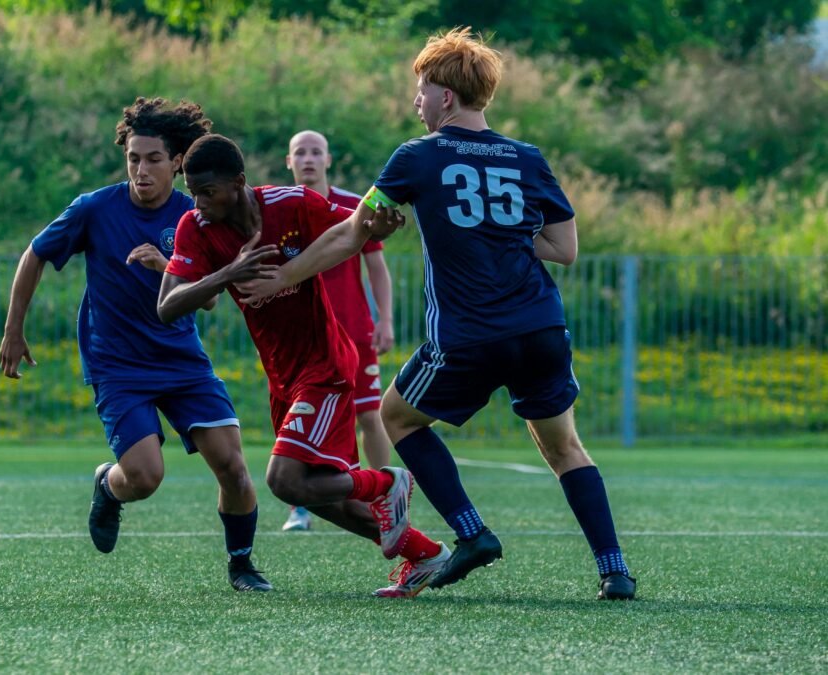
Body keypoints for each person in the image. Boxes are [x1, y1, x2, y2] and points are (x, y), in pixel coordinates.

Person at [236, 28, 637, 600]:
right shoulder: (527, 157)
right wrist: (499, 236)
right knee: (565, 448)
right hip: (541, 327)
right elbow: (564, 248)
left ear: (445, 96)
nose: (416, 101)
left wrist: (283, 277)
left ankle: (472, 533)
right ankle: (614, 570)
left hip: (470, 335)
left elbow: (350, 233)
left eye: (421, 90)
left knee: (397, 419)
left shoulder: (418, 155)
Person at [157, 133, 450, 598]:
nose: (199, 203)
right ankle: (426, 554)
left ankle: (385, 482)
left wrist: (378, 226)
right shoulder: (196, 226)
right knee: (321, 494)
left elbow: (355, 228)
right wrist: (227, 273)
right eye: (192, 192)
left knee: (284, 479)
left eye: (207, 191)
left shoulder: (291, 204)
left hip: (325, 365)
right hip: (283, 378)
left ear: (239, 182)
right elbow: (167, 306)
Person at [0, 97, 272, 592]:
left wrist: (166, 266)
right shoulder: (95, 209)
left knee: (233, 466)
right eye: (133, 159)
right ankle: (109, 485)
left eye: (153, 159)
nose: (141, 170)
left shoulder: (195, 214)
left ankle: (242, 565)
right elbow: (34, 254)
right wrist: (14, 329)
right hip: (118, 365)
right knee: (144, 478)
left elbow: (209, 300)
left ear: (177, 162)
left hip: (182, 361)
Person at [280, 130, 395, 533]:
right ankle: (300, 507)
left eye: (316, 152)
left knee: (369, 414)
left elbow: (377, 269)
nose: (308, 159)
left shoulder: (355, 206)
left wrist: (385, 320)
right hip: (302, 340)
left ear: (328, 160)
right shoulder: (280, 209)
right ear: (289, 162)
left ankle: (387, 500)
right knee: (297, 417)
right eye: (300, 152)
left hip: (354, 332)